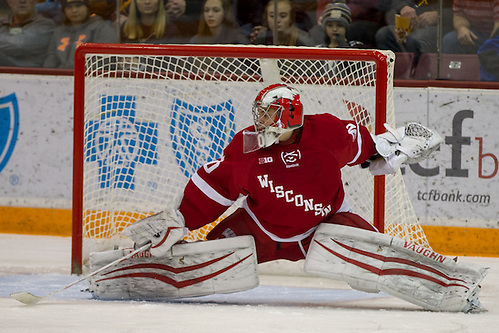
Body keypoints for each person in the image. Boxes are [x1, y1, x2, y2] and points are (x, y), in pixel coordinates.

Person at [115, 83, 487, 312]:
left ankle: (450, 285)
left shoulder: (328, 133)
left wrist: (395, 147)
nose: (259, 120)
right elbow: (215, 186)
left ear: (289, 115)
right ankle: (129, 274)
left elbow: (369, 149)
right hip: (258, 227)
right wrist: (178, 219)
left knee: (379, 254)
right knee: (205, 257)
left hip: (322, 225)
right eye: (260, 113)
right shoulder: (246, 146)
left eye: (268, 113)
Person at [43, 0, 118, 69]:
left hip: (89, 78)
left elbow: (103, 60)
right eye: (69, 7)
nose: (74, 10)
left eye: (78, 6)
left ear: (87, 8)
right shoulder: (58, 31)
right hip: (59, 78)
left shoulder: (101, 28)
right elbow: (51, 57)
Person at [375, 0, 453, 65]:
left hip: (443, 26)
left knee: (415, 39)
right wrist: (403, 6)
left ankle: (418, 74)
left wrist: (439, 15)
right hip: (411, 22)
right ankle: (394, 74)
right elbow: (390, 2)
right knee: (384, 34)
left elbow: (462, 11)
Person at [0, 0, 56, 67]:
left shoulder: (46, 25)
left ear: (35, 1)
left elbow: (19, 45)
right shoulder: (2, 22)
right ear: (9, 2)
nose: (23, 1)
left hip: (29, 75)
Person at [313, 0, 388, 47]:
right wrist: (324, 16)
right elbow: (322, 7)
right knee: (315, 31)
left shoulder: (357, 45)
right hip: (332, 19)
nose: (334, 29)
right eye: (330, 26)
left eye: (338, 26)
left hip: (364, 23)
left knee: (357, 28)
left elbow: (381, 5)